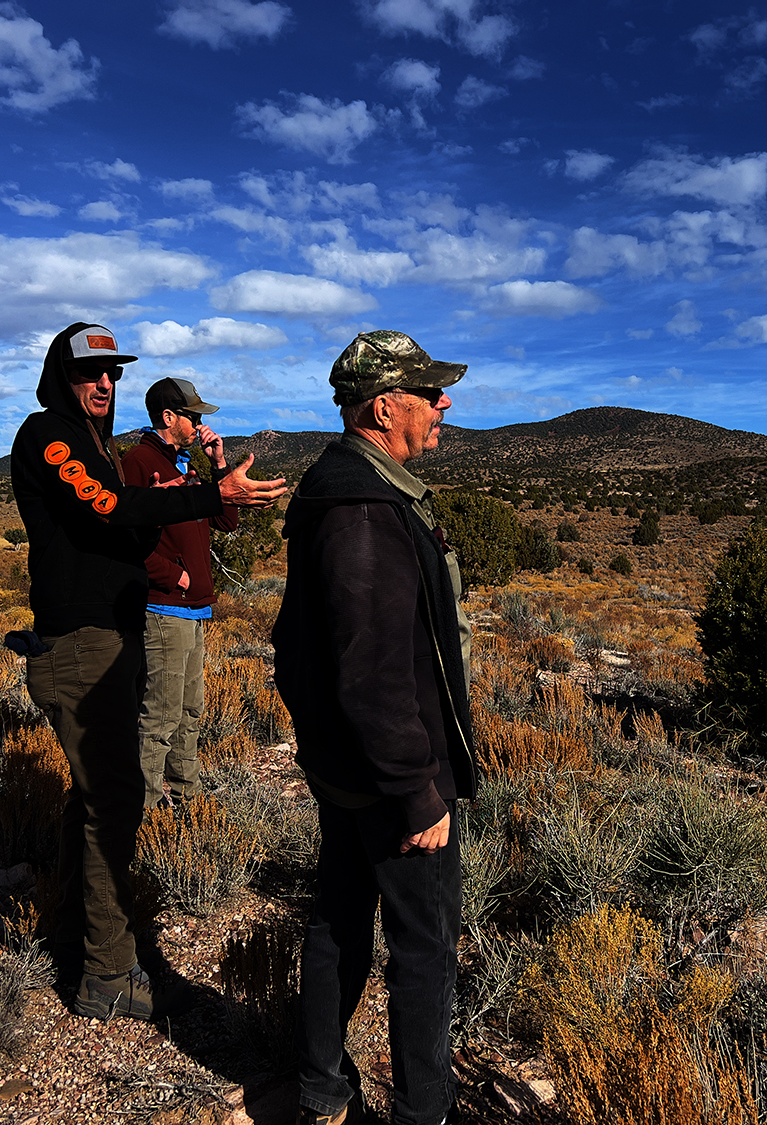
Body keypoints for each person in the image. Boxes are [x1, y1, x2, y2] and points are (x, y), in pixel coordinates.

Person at [11, 322, 285, 1023]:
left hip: (109, 636)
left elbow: (130, 531)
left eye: (113, 373)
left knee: (90, 797)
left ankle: (73, 928)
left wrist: (204, 487)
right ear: (60, 376)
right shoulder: (49, 435)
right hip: (82, 645)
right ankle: (106, 970)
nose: (104, 383)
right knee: (114, 803)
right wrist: (205, 494)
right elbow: (112, 508)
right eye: (89, 373)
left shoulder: (95, 444)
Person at [272, 330, 479, 1125]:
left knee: (339, 917)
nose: (444, 403)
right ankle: (423, 1111)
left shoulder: (349, 488)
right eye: (430, 392)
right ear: (385, 404)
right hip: (391, 776)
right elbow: (373, 669)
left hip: (349, 765)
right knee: (424, 948)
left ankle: (321, 1087)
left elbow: (302, 650)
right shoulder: (363, 506)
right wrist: (416, 787)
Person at [122, 378, 240, 810]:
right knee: (160, 716)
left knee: (190, 712)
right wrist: (173, 577)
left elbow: (229, 519)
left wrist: (218, 463)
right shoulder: (139, 461)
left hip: (192, 611)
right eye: (192, 416)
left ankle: (188, 798)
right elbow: (124, 535)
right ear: (169, 417)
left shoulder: (184, 464)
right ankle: (148, 811)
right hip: (164, 606)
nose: (198, 424)